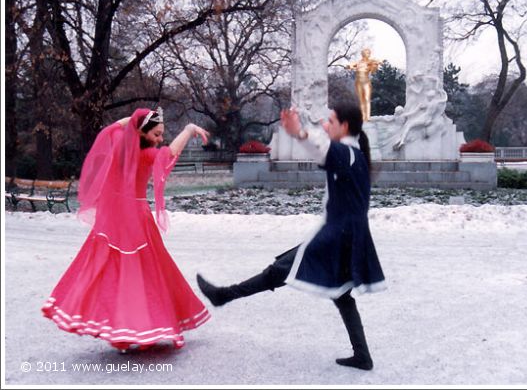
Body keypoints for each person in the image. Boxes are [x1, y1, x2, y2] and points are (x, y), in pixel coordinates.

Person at [197, 102, 386, 371]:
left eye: (330, 121)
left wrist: (299, 134)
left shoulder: (346, 153)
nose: (325, 125)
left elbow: (322, 149)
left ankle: (223, 295)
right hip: (346, 236)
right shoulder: (355, 154)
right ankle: (362, 355)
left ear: (344, 127)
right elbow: (325, 150)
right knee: (341, 293)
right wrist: (302, 133)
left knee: (280, 270)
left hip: (336, 237)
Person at [42, 107, 211, 353]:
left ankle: (122, 328)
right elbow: (172, 152)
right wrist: (188, 129)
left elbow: (112, 129)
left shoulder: (120, 148)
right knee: (142, 273)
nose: (160, 138)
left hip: (115, 220)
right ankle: (136, 326)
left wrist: (134, 120)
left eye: (161, 134)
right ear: (143, 133)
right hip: (135, 219)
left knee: (116, 271)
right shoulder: (144, 155)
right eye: (156, 134)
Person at [346, 48, 380, 122]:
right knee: (361, 100)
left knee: (367, 99)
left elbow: (373, 71)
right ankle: (362, 116)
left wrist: (376, 65)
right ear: (363, 53)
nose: (369, 54)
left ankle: (367, 117)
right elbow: (350, 65)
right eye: (368, 53)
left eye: (369, 53)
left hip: (366, 82)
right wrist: (349, 66)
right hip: (358, 83)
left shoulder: (370, 62)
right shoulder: (358, 63)